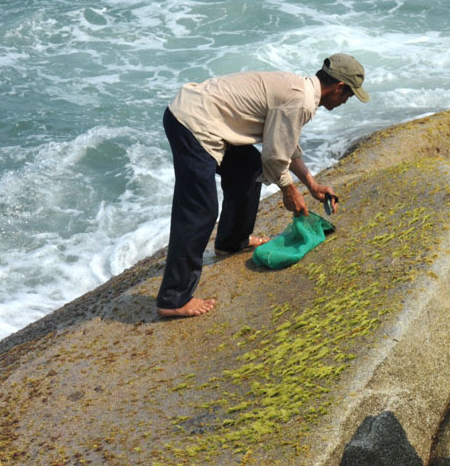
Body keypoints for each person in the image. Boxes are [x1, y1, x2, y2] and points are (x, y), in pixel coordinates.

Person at [155, 53, 369, 318]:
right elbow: (275, 157)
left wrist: (312, 185)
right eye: (349, 95)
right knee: (200, 210)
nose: (346, 101)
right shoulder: (300, 101)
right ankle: (173, 298)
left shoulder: (299, 90)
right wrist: (289, 191)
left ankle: (232, 241)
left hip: (207, 114)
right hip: (193, 122)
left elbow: (285, 144)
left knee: (247, 168)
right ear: (338, 87)